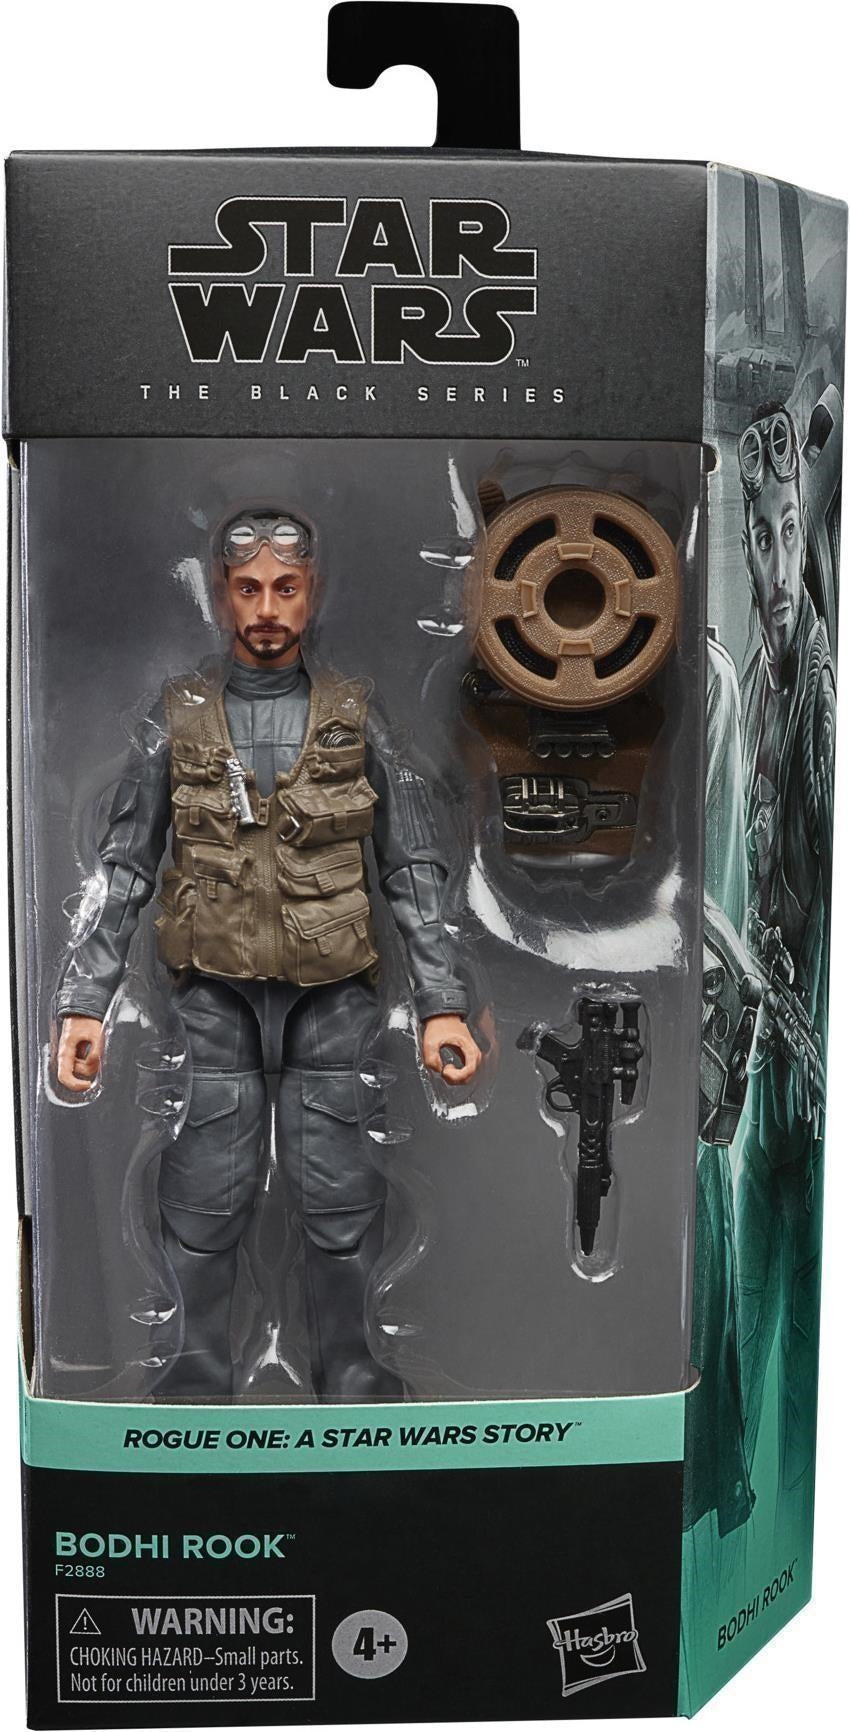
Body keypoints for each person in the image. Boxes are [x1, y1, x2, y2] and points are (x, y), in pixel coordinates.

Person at [54, 509, 481, 1400]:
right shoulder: (177, 719)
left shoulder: (356, 718)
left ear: (312, 592)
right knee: (207, 1182)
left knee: (338, 1185)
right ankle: (198, 1367)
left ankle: (351, 1367)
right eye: (247, 589)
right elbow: (123, 868)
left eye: (286, 588)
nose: (267, 610)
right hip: (213, 995)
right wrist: (85, 1004)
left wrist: (441, 1004)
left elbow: (413, 868)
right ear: (220, 596)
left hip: (335, 996)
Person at [735, 406, 834, 1492]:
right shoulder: (761, 685)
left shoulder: (814, 694)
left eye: (787, 532)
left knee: (794, 1285)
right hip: (766, 1039)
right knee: (752, 1276)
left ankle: (786, 1485)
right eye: (758, 537)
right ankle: (740, 1492)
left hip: (807, 1057)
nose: (773, 563)